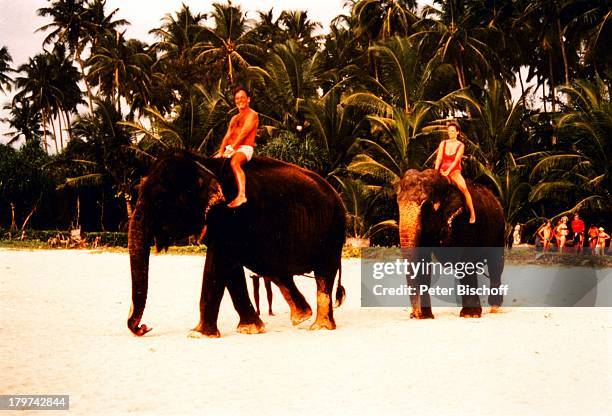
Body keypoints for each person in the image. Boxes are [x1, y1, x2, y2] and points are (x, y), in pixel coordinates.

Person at [215, 87, 259, 208]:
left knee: (234, 163)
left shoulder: (253, 115)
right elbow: (227, 135)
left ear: (248, 99)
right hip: (232, 147)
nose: (240, 100)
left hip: (245, 148)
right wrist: (220, 151)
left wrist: (231, 149)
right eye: (237, 98)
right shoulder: (234, 118)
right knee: (212, 163)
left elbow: (244, 133)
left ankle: (241, 195)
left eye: (242, 97)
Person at [434, 121, 476, 223]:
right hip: (442, 170)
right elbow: (439, 158)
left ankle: (472, 213)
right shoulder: (443, 143)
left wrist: (448, 171)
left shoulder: (460, 145)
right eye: (449, 131)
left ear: (457, 132)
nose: (450, 133)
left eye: (453, 131)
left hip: (454, 171)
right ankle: (436, 203)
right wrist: (435, 171)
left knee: (463, 187)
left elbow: (457, 160)